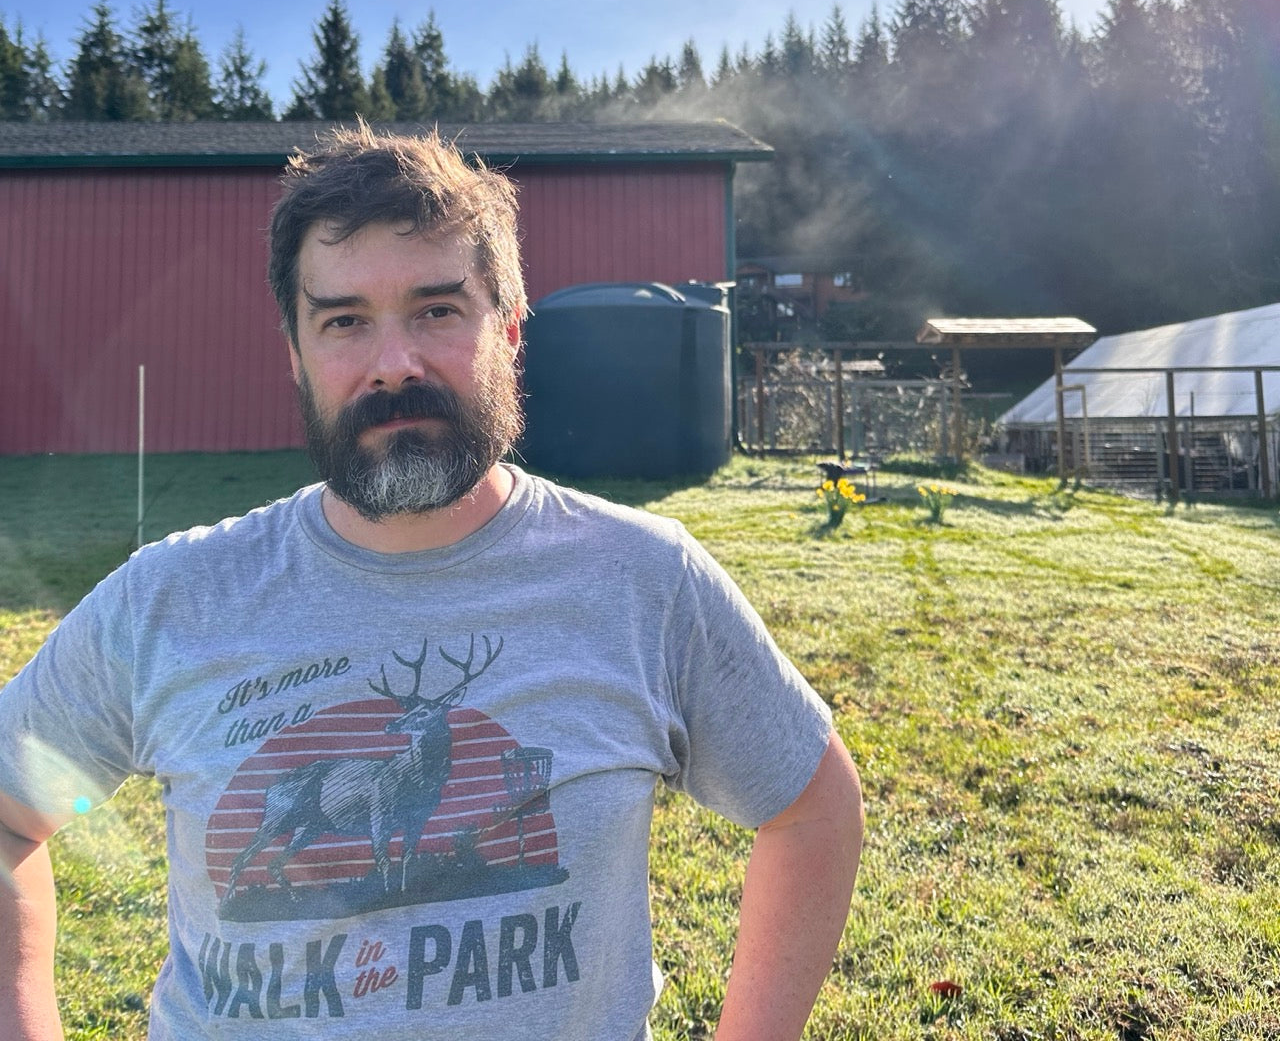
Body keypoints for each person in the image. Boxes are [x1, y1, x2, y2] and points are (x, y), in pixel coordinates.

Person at [0, 124, 863, 1040]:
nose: (394, 363)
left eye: (438, 310)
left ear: (510, 332)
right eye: (343, 321)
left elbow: (814, 808)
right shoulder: (167, 599)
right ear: (295, 354)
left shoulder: (643, 580)